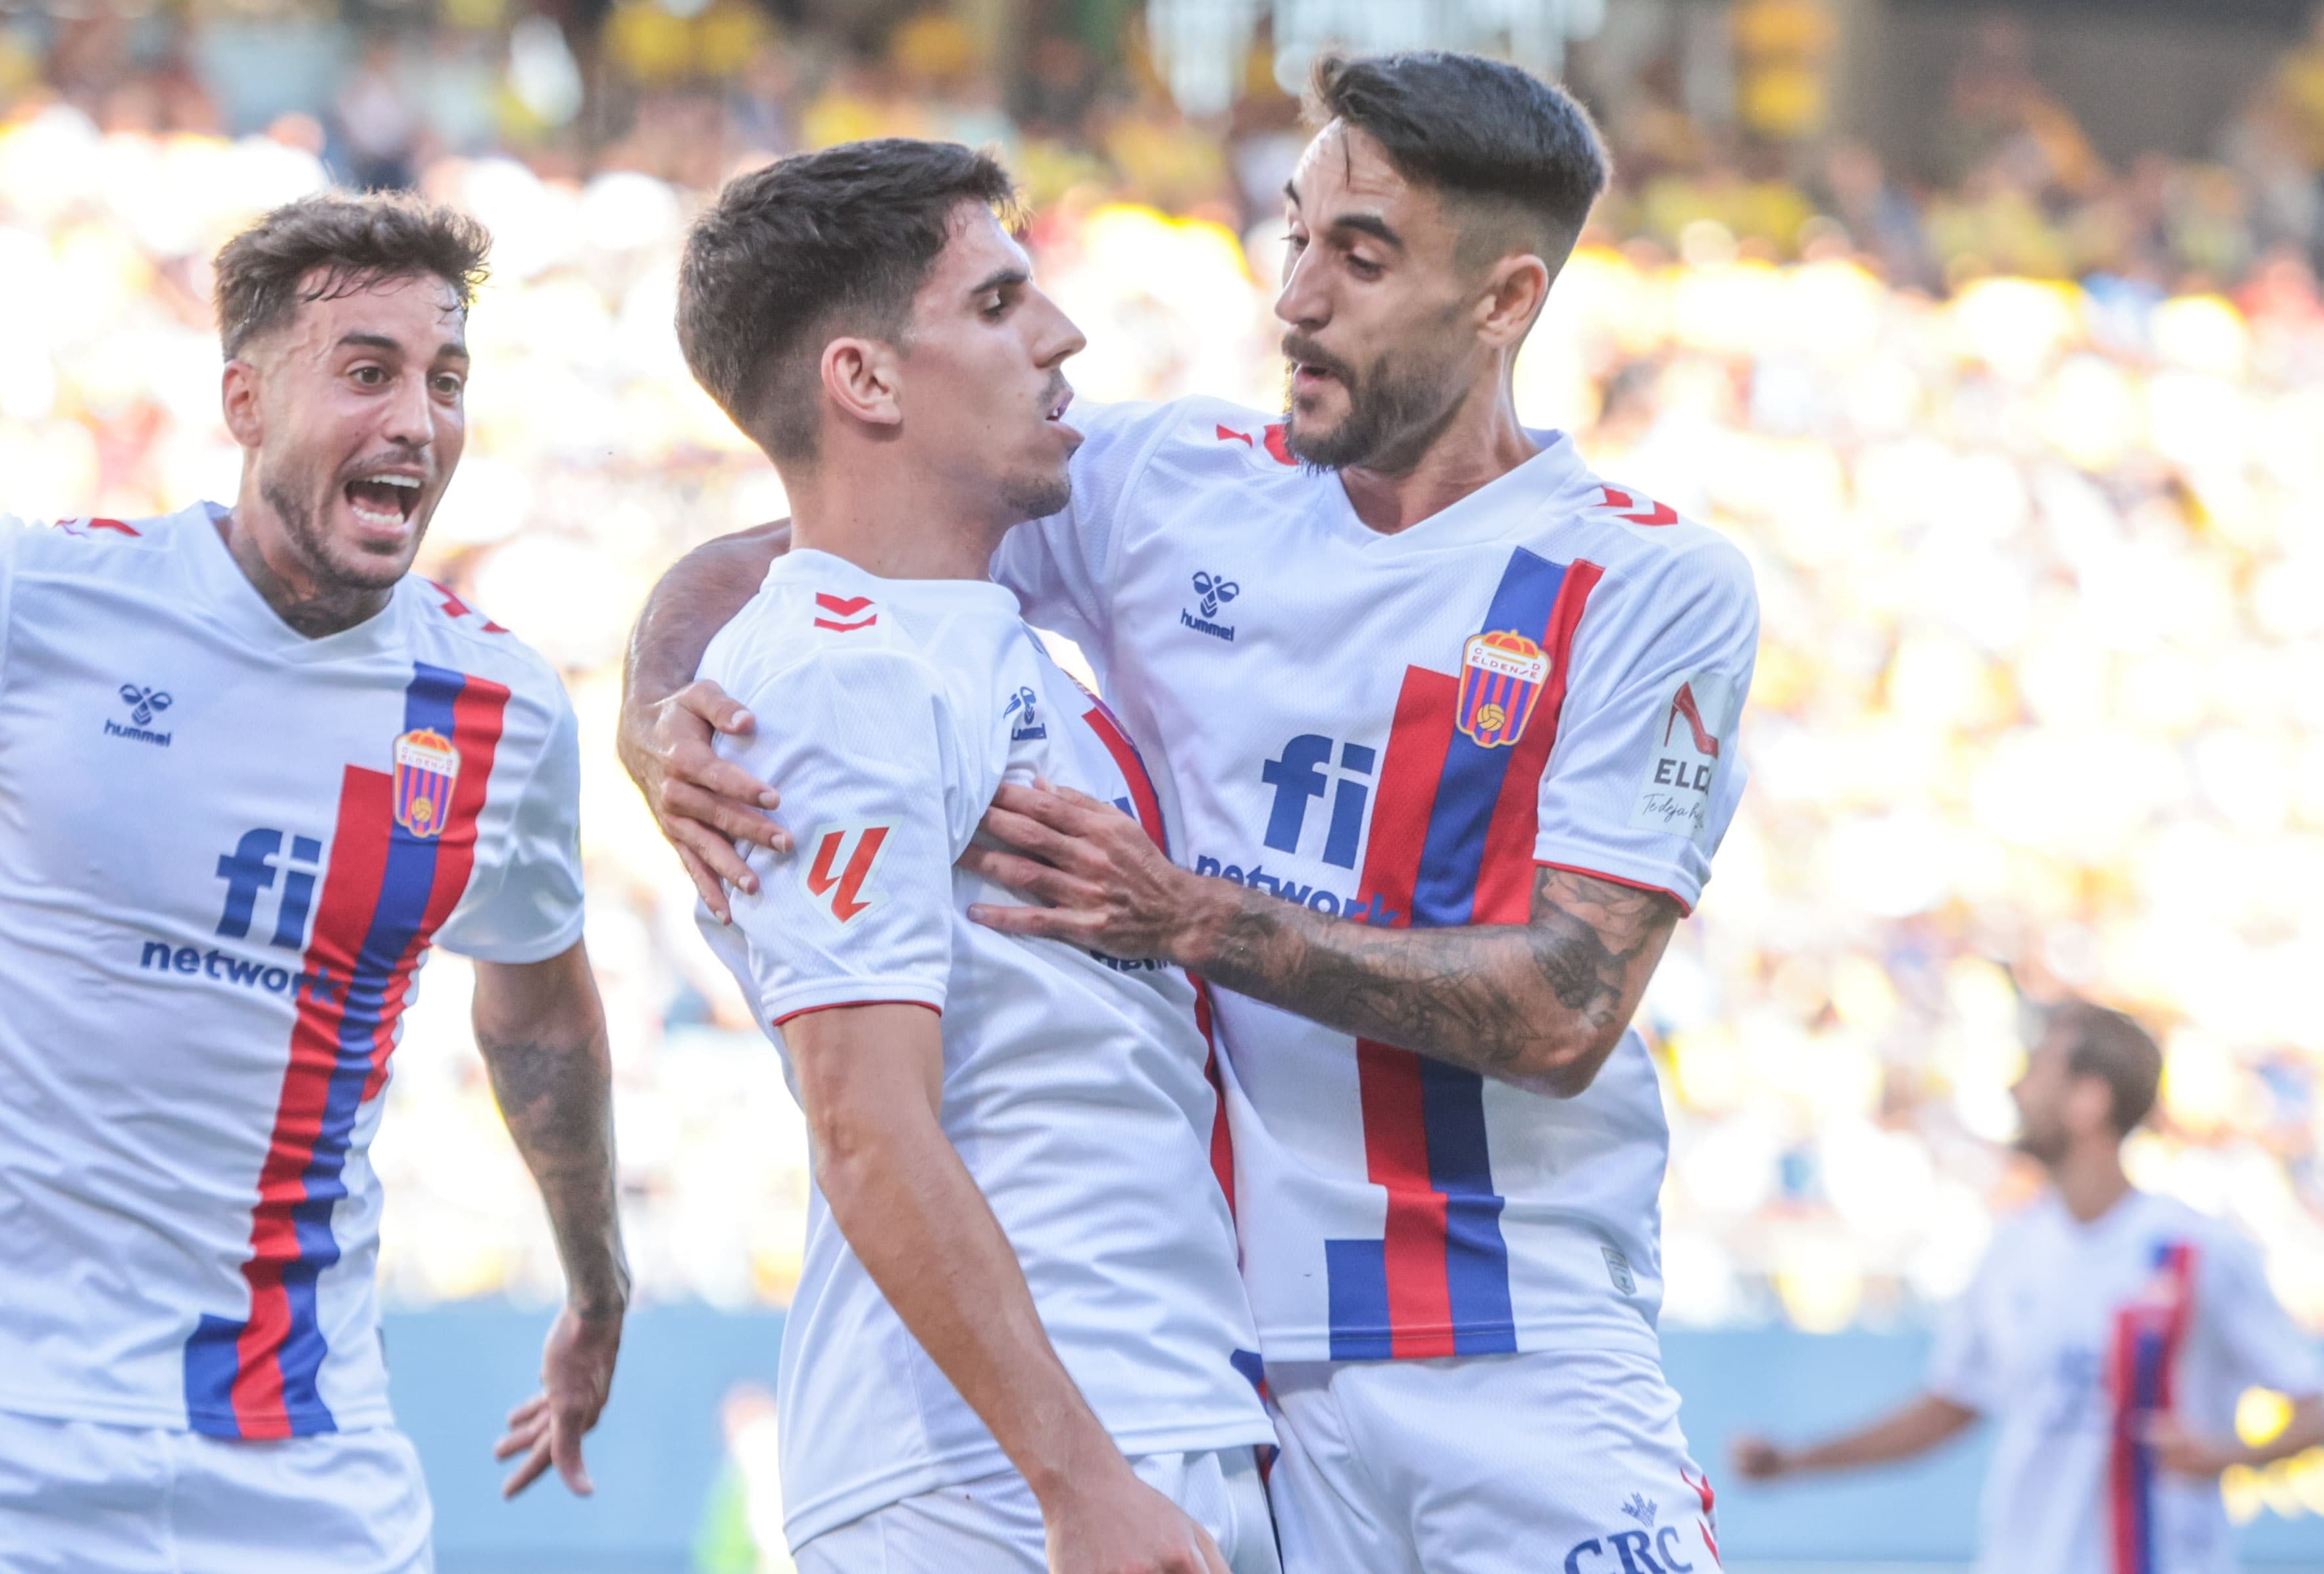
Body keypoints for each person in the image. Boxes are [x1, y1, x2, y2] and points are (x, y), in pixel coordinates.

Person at [625, 53, 1757, 1573]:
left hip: (1511, 1343)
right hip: (1230, 1385)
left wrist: (1192, 916)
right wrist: (654, 726)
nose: (1294, 297)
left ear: (1501, 303)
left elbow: (1563, 1005)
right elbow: (789, 553)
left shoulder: (1644, 582)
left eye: (1359, 258)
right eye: (1293, 236)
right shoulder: (1169, 485)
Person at [0, 191, 626, 1572]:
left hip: (306, 1429)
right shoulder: (30, 600)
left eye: (444, 380)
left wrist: (596, 1276)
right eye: (367, 370)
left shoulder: (499, 706)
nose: (415, 420)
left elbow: (539, 1008)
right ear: (244, 399)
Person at [669, 139, 1277, 1573]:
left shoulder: (980, 647)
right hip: (983, 1478)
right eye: (1000, 305)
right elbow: (865, 1116)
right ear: (863, 380)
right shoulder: (837, 667)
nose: (1059, 337)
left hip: (1131, 1419)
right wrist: (1073, 1478)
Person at [1730, 1003, 2324, 1574]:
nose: (2017, 1091)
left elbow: (2313, 1404)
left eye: (2037, 1070)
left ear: (2090, 1100)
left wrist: (2225, 1458)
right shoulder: (2012, 1250)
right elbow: (1948, 1405)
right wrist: (1797, 1462)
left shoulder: (2195, 1251)